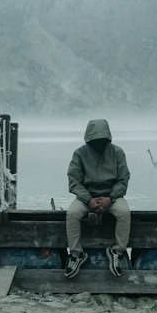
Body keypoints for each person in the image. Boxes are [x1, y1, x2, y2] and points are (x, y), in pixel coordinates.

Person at [65, 118, 131, 278]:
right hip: (86, 197)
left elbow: (123, 180)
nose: (99, 143)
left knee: (124, 212)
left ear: (108, 138)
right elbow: (74, 182)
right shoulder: (79, 154)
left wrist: (110, 197)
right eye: (95, 141)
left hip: (112, 197)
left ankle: (117, 251)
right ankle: (76, 254)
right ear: (88, 139)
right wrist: (88, 199)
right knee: (72, 214)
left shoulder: (117, 152)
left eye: (102, 140)